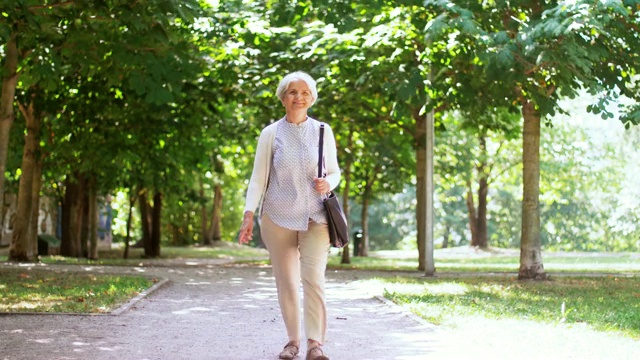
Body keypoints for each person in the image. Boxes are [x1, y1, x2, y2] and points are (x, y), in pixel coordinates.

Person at [238, 71, 340, 360]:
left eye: (305, 92)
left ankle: (315, 344)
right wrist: (248, 214)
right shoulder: (271, 133)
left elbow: (334, 171)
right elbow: (258, 178)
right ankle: (292, 342)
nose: (299, 97)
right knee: (286, 281)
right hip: (278, 216)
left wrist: (328, 183)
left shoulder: (323, 131)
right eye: (293, 92)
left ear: (312, 98)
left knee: (313, 279)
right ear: (283, 97)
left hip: (315, 217)